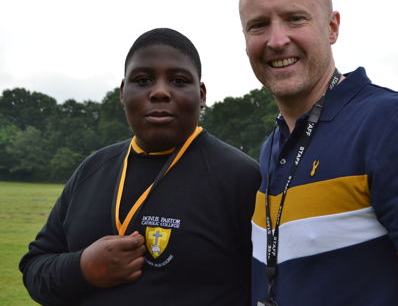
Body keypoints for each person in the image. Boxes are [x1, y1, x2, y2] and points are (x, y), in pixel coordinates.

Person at [239, 0, 398, 306]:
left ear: (332, 27)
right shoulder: (272, 147)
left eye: (295, 19)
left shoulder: (394, 125)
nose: (276, 40)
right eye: (259, 25)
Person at [20, 28, 261, 305]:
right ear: (123, 92)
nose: (160, 92)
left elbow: (270, 286)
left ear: (202, 94)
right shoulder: (92, 170)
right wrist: (83, 268)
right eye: (143, 79)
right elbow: (34, 267)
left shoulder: (240, 178)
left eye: (179, 80)